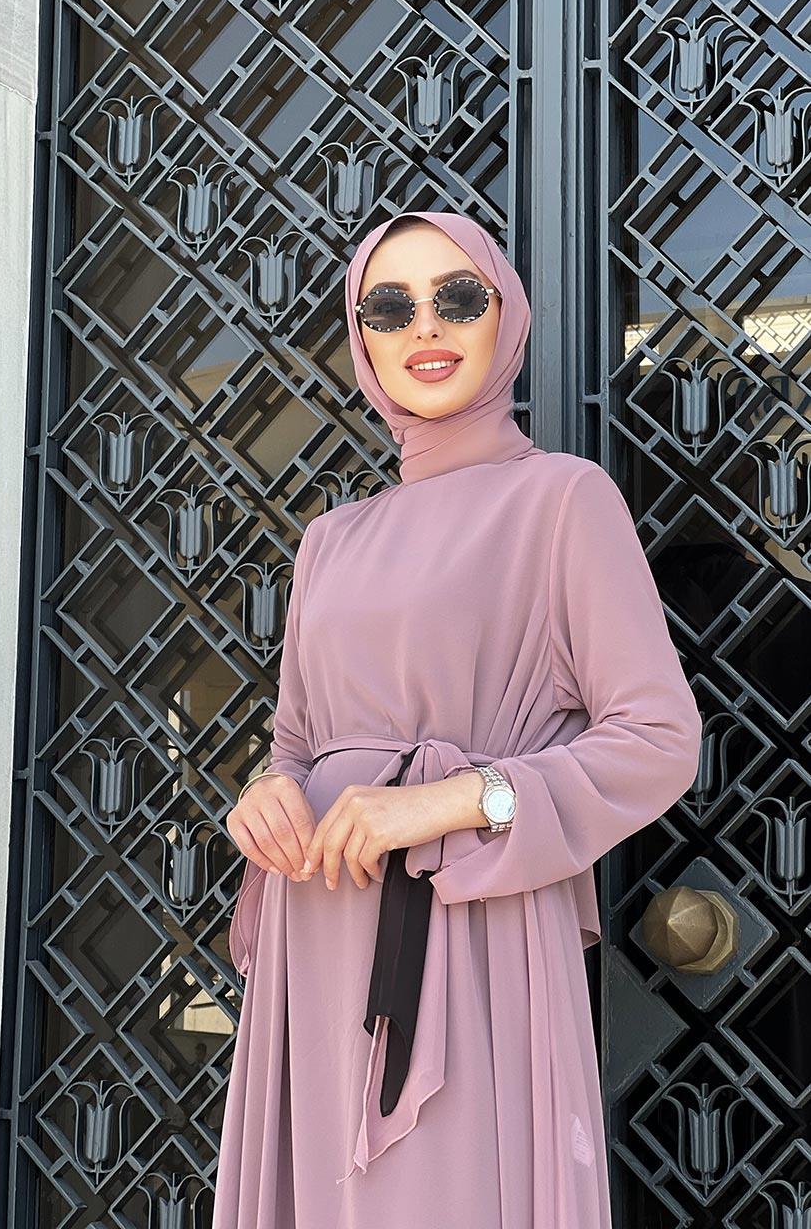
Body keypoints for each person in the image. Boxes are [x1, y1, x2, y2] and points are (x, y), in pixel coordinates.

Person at [212, 210, 704, 1228]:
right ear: (362, 338)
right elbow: (297, 741)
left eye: (457, 297)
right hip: (318, 928)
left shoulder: (562, 501)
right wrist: (263, 793)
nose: (424, 327)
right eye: (389, 307)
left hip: (468, 931)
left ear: (503, 314)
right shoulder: (329, 540)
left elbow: (657, 739)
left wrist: (448, 801)